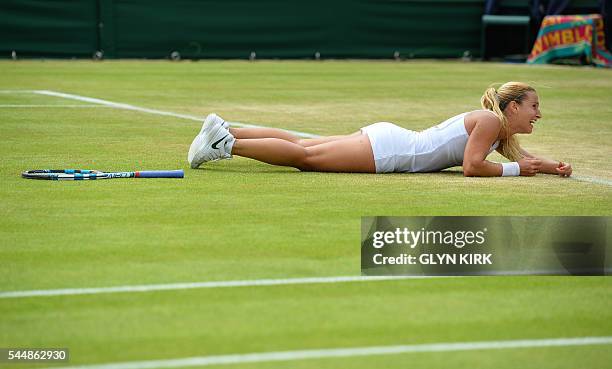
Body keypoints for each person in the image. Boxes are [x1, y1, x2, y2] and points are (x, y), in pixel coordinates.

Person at [187, 82, 572, 177]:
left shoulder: (496, 129)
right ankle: (227, 143)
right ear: (513, 106)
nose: (538, 114)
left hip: (390, 141)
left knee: (304, 146)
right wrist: (516, 170)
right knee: (306, 158)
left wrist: (553, 167)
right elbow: (473, 167)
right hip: (390, 152)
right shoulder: (489, 121)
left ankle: (225, 129)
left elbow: (524, 159)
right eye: (534, 106)